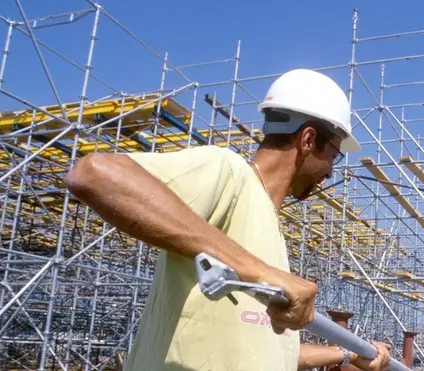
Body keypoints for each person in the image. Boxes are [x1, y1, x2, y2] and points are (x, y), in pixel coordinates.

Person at [64, 69, 393, 370]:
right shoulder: (229, 173)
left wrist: (351, 353)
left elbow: (270, 351)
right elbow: (94, 174)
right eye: (333, 155)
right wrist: (261, 272)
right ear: (307, 140)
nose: (330, 171)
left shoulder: (269, 229)